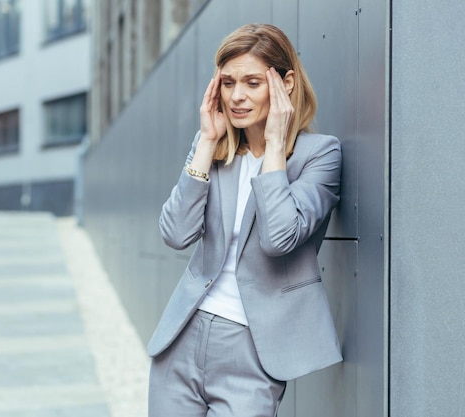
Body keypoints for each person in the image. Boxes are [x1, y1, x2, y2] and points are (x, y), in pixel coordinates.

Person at [147, 23, 343, 417]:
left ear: (285, 83)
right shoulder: (214, 149)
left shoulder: (319, 156)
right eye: (228, 82)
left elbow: (279, 238)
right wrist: (205, 142)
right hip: (184, 338)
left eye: (252, 83)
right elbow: (176, 233)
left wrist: (273, 146)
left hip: (254, 351)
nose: (236, 96)